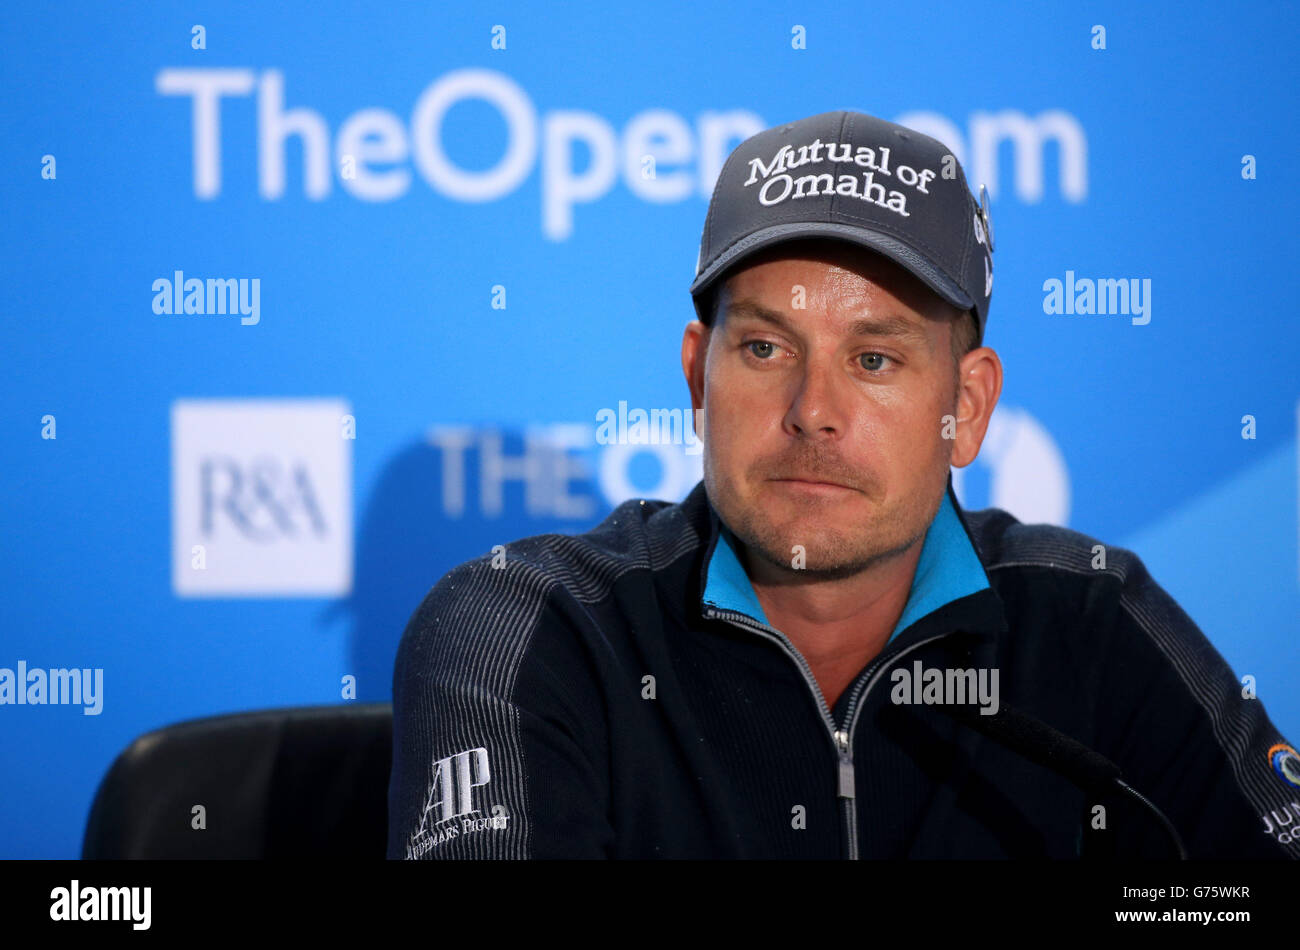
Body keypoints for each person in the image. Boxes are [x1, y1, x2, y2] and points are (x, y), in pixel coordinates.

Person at [387, 109, 1300, 859]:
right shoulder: (532, 628)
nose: (812, 410)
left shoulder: (1097, 626)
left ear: (968, 406)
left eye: (873, 358)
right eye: (765, 348)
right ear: (697, 379)